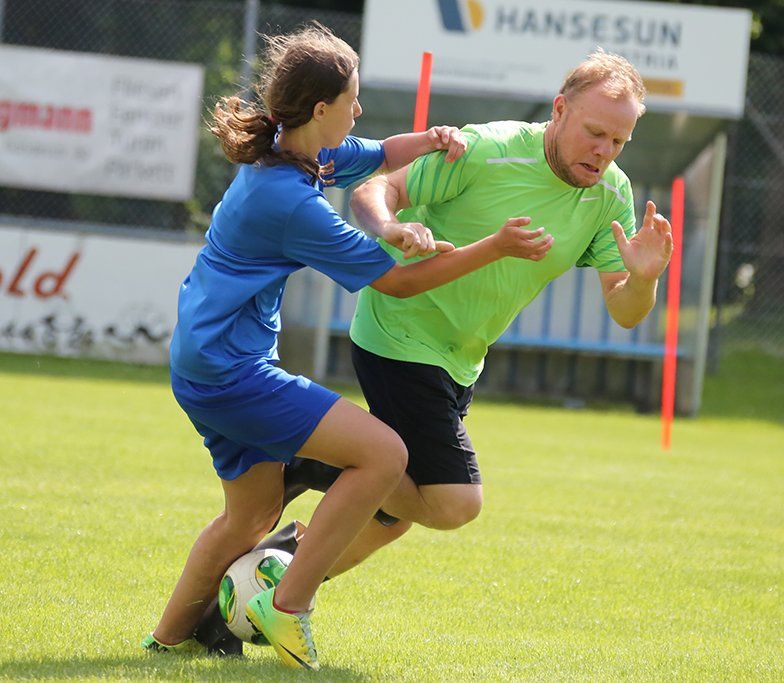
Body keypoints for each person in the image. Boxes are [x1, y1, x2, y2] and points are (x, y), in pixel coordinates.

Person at [142, 22, 551, 671]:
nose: (358, 110)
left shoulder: (299, 154)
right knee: (384, 455)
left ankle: (168, 639)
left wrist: (433, 139)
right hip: (231, 373)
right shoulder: (290, 201)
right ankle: (289, 605)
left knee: (249, 520)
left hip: (202, 365)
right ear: (320, 109)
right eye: (352, 99)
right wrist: (495, 246)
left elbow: (382, 153)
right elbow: (399, 282)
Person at [272, 49, 673, 578]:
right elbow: (379, 186)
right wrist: (390, 226)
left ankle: (270, 583)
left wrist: (643, 279)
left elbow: (624, 310)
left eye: (618, 142)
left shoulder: (611, 194)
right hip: (401, 332)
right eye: (595, 132)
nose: (604, 152)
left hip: (462, 359)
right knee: (453, 501)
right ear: (559, 110)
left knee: (392, 515)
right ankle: (321, 463)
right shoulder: (489, 150)